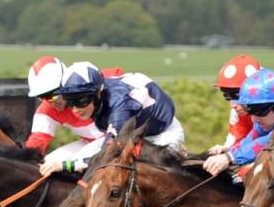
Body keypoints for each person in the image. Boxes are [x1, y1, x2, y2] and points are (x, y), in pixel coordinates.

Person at [36, 62, 185, 175]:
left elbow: (106, 156)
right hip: (134, 134)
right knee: (77, 161)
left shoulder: (120, 107)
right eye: (70, 101)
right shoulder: (97, 92)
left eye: (81, 101)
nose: (75, 109)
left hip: (161, 136)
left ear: (99, 93)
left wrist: (64, 166)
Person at [22, 55, 108, 163]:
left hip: (116, 140)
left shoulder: (92, 83)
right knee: (49, 163)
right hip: (90, 143)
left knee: (72, 163)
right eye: (43, 97)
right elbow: (37, 140)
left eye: (53, 94)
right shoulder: (46, 109)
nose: (50, 101)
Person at [212, 53, 265, 156]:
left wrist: (233, 156)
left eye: (237, 96)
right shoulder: (237, 112)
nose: (233, 106)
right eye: (227, 96)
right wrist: (226, 150)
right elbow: (236, 137)